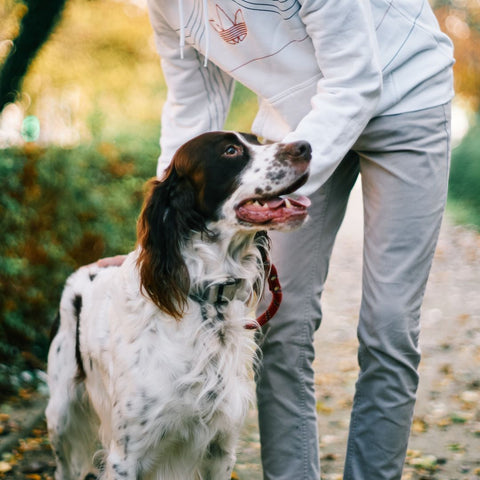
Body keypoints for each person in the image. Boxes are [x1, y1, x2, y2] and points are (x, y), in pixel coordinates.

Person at [144, 1, 454, 479]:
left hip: (405, 98)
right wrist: (158, 237)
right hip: (296, 120)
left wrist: (277, 185)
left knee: (389, 326)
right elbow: (193, 112)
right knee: (278, 324)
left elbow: (355, 81)